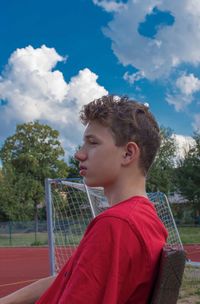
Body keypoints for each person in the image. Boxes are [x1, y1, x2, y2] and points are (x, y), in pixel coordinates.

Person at [0, 95, 168, 304]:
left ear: (127, 153)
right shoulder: (144, 218)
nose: (79, 154)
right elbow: (67, 278)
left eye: (92, 143)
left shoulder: (116, 225)